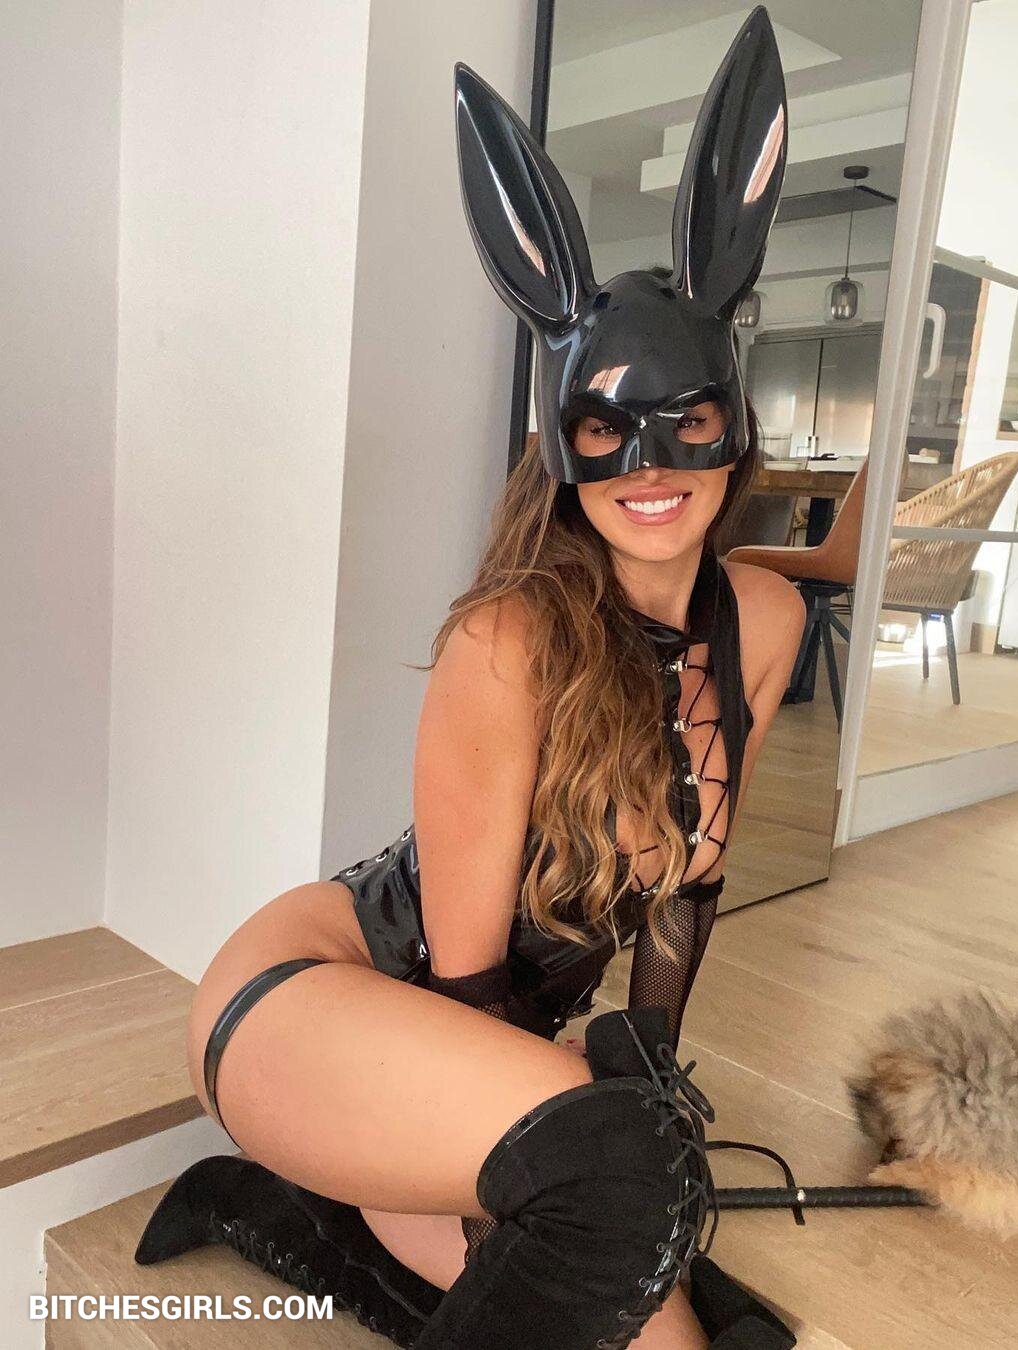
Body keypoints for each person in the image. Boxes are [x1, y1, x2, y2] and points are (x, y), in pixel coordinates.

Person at [134, 9, 803, 1348]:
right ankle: (321, 1172)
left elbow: (686, 895)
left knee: (653, 1259)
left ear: (736, 427)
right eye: (608, 430)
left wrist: (644, 1106)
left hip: (469, 1059)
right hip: (319, 1005)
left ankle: (304, 1211)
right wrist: (596, 1153)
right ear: (561, 448)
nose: (652, 466)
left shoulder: (763, 622)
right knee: (615, 1201)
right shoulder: (510, 642)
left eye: (688, 422)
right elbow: (466, 984)